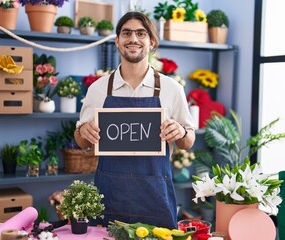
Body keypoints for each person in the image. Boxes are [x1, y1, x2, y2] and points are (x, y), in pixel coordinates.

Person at [74, 11, 195, 229]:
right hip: (109, 196)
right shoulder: (98, 88)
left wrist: (182, 132)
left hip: (155, 196)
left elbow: (188, 141)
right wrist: (84, 132)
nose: (133, 39)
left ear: (152, 42)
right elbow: (81, 141)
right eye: (126, 33)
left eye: (141, 33)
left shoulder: (172, 89)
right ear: (117, 41)